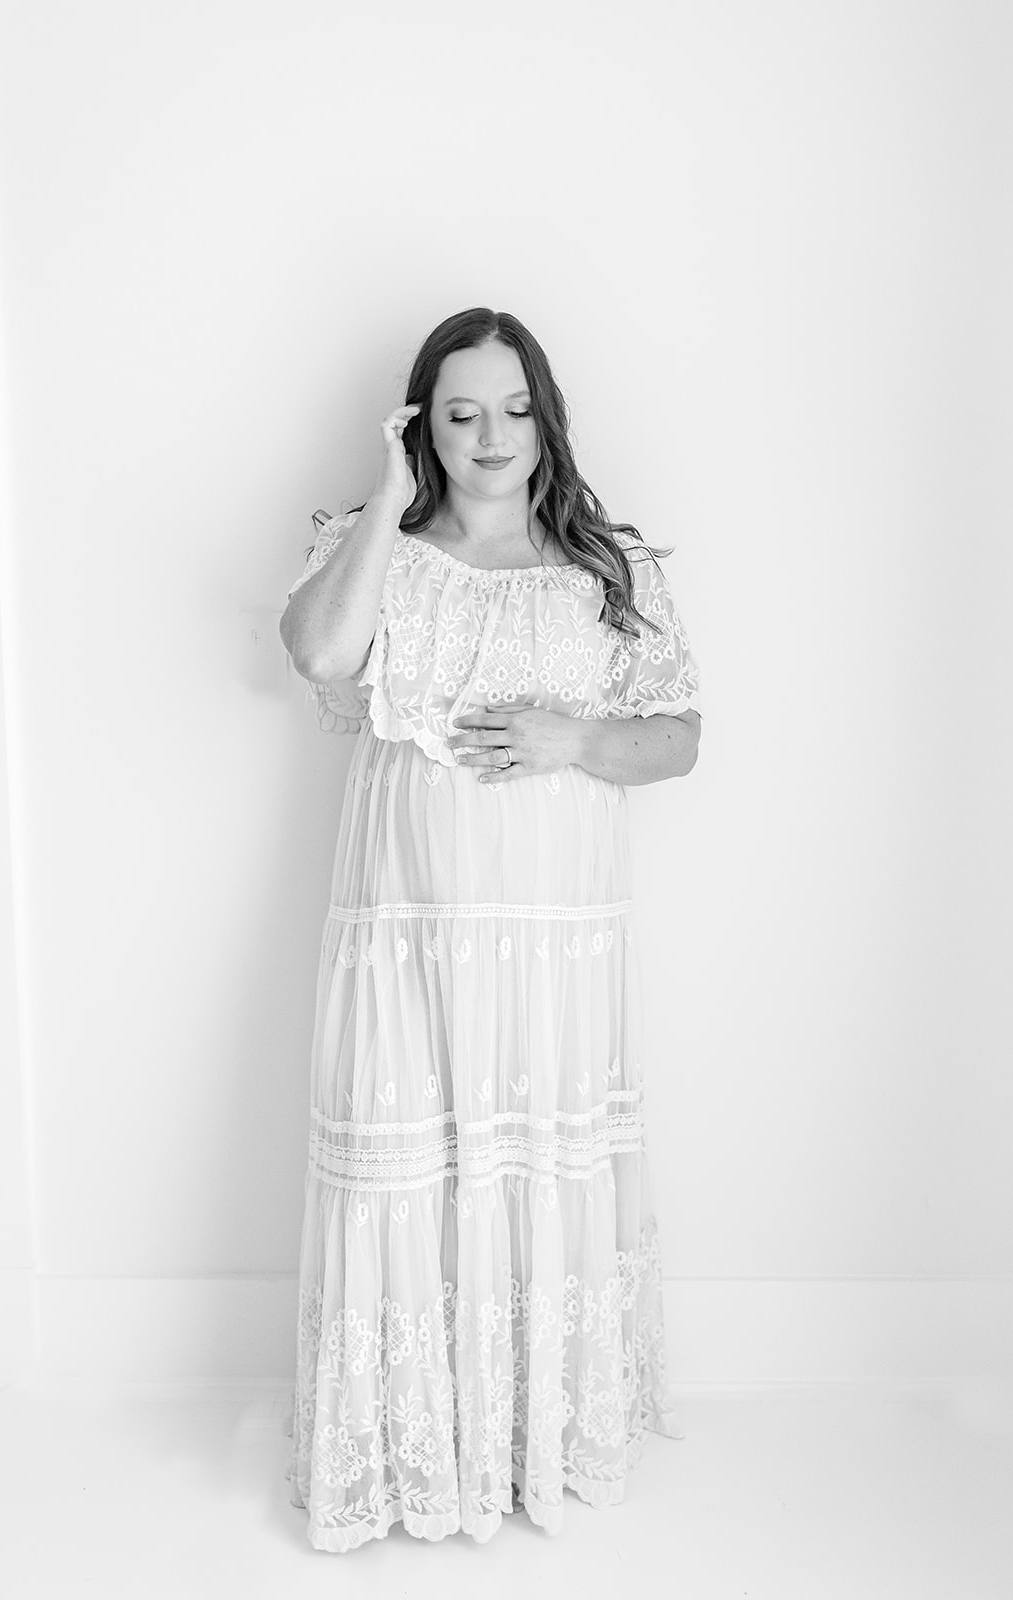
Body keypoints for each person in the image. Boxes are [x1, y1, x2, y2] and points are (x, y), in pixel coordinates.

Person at [279, 307, 703, 1553]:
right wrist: (382, 494)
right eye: (458, 412)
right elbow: (316, 655)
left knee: (533, 1164)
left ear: (546, 416)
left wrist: (570, 740)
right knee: (411, 1160)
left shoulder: (605, 572)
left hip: (552, 945)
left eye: (512, 407)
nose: (490, 435)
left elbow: (678, 737)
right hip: (408, 926)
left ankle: (534, 1436)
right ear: (423, 426)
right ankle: (415, 1444)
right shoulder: (375, 551)